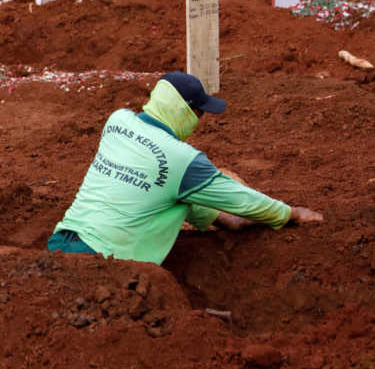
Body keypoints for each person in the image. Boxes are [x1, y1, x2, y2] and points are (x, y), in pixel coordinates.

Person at [47, 71, 322, 264]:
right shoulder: (184, 160)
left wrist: (219, 219)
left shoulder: (117, 121)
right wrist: (291, 213)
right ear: (183, 113)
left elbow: (155, 184)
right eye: (199, 113)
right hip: (107, 263)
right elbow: (243, 201)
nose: (200, 121)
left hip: (59, 245)